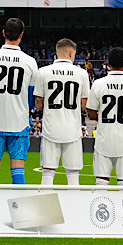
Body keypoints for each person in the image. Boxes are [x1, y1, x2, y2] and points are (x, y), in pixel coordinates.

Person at [0, 18, 38, 186]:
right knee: (18, 172)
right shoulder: (30, 62)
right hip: (19, 122)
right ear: (21, 35)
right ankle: (17, 212)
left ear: (3, 33)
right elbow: (32, 96)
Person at [32, 38, 90, 186]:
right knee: (73, 173)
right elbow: (84, 105)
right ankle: (73, 207)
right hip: (72, 129)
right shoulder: (82, 73)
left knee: (48, 172)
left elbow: (38, 104)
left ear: (56, 53)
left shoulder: (43, 72)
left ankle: (46, 208)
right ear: (72, 53)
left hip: (51, 129)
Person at [86, 47, 123, 186]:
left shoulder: (98, 84)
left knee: (101, 182)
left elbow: (90, 111)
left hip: (104, 140)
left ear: (108, 63)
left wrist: (101, 118)